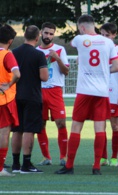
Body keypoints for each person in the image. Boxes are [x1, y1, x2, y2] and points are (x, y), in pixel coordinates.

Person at [55, 14, 118, 175]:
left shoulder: (79, 40)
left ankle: (69, 165)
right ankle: (96, 166)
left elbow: (76, 46)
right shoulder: (108, 42)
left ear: (82, 27)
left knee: (76, 127)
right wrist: (104, 71)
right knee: (99, 128)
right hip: (101, 92)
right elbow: (117, 66)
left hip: (84, 91)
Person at [11, 25, 49, 174]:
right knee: (29, 130)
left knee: (17, 130)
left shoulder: (14, 52)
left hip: (16, 95)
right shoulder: (38, 54)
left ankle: (15, 164)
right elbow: (44, 77)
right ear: (37, 37)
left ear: (24, 35)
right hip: (32, 96)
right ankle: (26, 164)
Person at [36, 22, 70, 166]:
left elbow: (66, 72)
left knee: (61, 123)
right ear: (41, 33)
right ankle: (46, 157)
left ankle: (64, 157)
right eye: (46, 33)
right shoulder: (35, 51)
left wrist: (57, 58)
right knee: (40, 124)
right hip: (39, 90)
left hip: (55, 90)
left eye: (51, 34)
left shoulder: (60, 49)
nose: (48, 36)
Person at [99, 22, 118, 167]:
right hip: (99, 92)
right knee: (100, 126)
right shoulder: (98, 50)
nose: (105, 38)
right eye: (102, 35)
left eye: (107, 35)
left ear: (114, 35)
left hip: (113, 94)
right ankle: (103, 157)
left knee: (114, 125)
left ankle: (114, 158)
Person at [0, 24, 20, 176]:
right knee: (4, 132)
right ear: (11, 41)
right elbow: (17, 74)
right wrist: (9, 84)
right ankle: (0, 168)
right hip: (4, 100)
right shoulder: (7, 55)